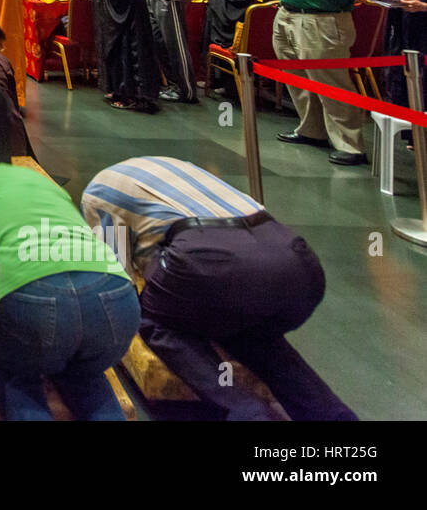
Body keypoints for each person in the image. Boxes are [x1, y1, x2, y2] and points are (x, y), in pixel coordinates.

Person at [82, 156, 357, 421]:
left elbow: (118, 278)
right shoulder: (178, 169)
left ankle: (246, 413)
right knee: (252, 335)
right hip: (296, 263)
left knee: (149, 318)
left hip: (215, 259)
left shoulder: (96, 193)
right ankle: (333, 415)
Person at [0, 163, 137, 420]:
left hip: (34, 298)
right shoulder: (48, 186)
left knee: (15, 376)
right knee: (86, 377)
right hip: (117, 296)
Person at [261, 0, 365, 165]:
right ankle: (312, 130)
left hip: (323, 21)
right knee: (297, 79)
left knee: (330, 82)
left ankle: (350, 144)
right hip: (287, 16)